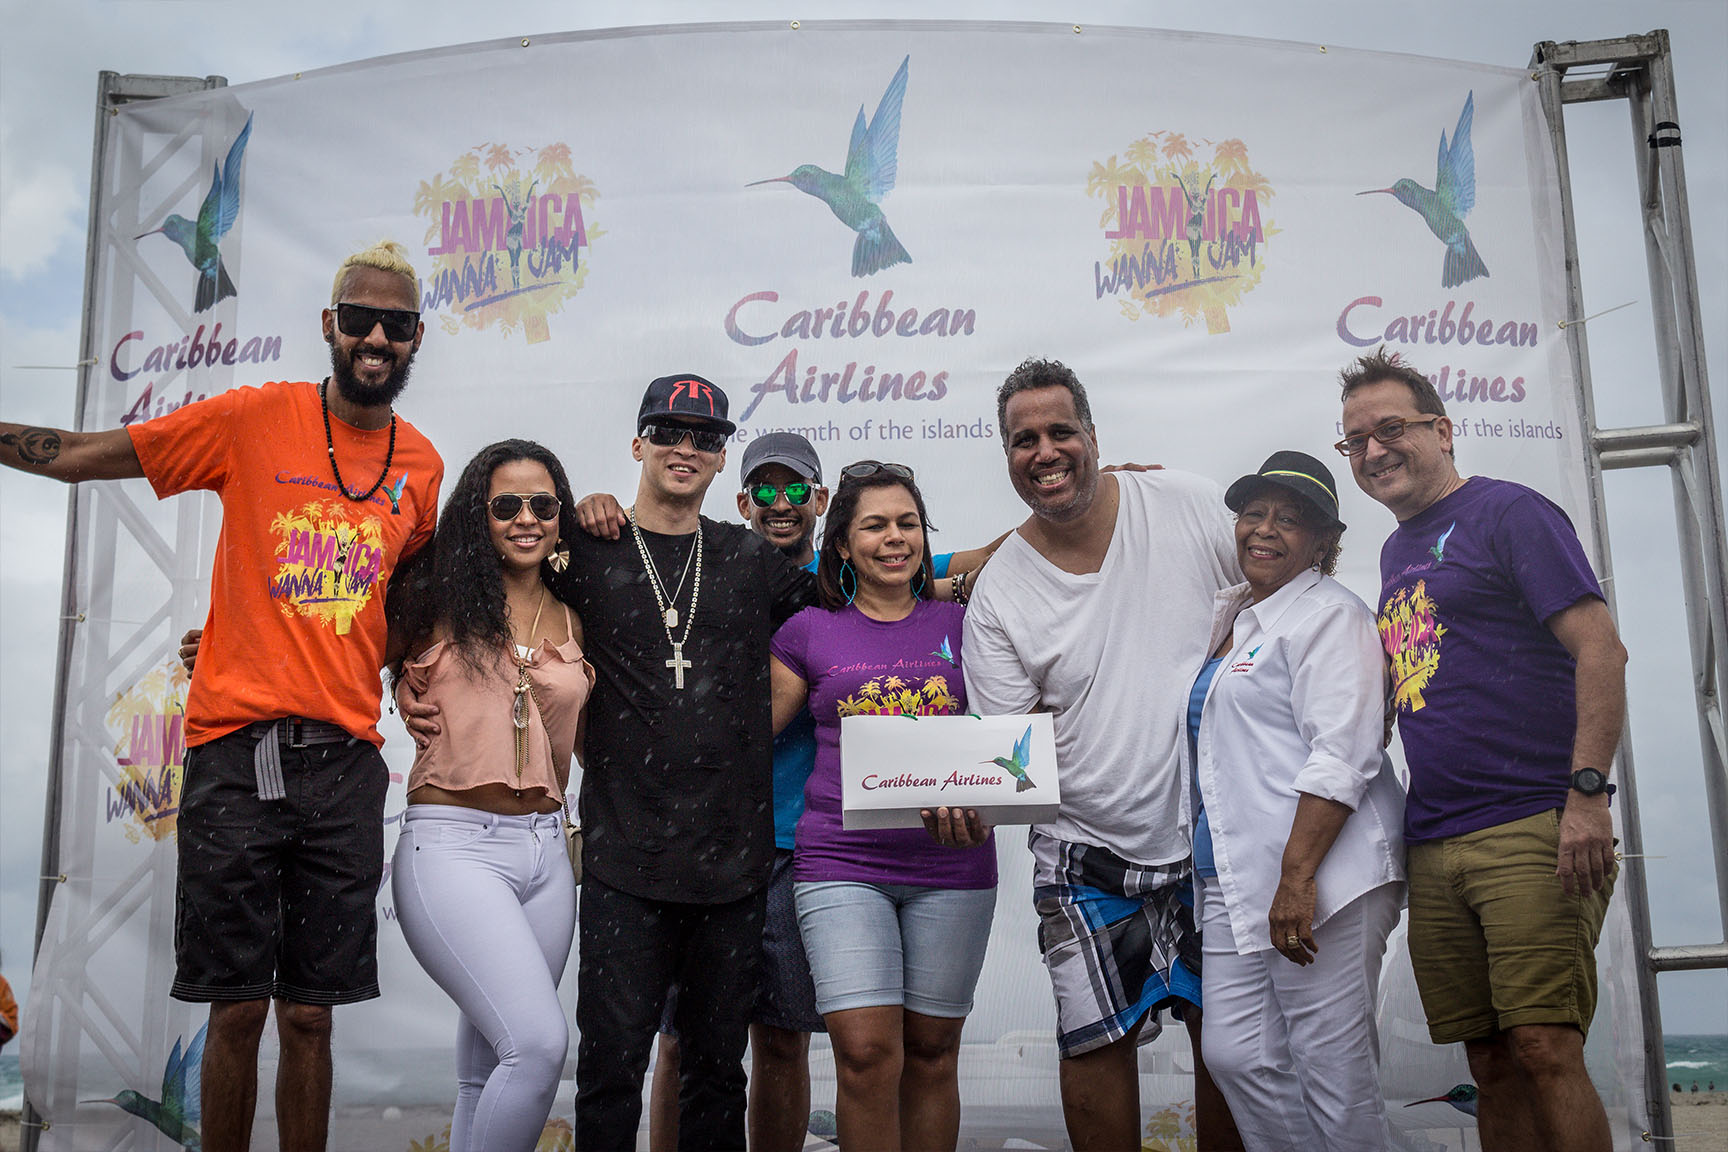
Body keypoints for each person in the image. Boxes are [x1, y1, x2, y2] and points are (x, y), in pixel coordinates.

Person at [0, 240, 441, 1152]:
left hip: (345, 763)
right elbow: (83, 455)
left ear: (415, 339)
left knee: (311, 1014)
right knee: (236, 1008)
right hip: (236, 754)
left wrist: (319, 637)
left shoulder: (424, 467)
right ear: (330, 325)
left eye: (395, 325)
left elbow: (400, 616)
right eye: (359, 318)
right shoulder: (253, 418)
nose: (375, 338)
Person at [577, 433, 1005, 1152]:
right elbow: (721, 723)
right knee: (686, 1039)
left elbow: (967, 568)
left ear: (820, 502)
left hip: (811, 847)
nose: (781, 503)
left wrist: (1102, 496)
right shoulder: (723, 568)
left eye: (795, 488)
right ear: (742, 498)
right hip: (737, 845)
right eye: (766, 490)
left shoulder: (862, 585)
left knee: (784, 1039)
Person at [450, 374, 812, 1150]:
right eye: (669, 432)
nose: (686, 448)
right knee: (611, 1071)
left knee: (718, 1073)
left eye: (705, 438)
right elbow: (476, 576)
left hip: (734, 865)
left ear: (723, 460)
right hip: (624, 862)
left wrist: (974, 567)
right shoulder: (583, 549)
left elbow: (870, 598)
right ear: (639, 444)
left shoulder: (749, 558)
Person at [1338, 347, 1627, 1152]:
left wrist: (1587, 796)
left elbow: (1601, 650)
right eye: (1355, 440)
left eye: (1390, 428)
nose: (1373, 451)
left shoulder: (1510, 513)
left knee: (1544, 1045)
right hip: (1434, 838)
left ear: (1442, 430)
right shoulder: (1396, 551)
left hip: (1531, 821)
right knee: (1490, 1062)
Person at [951, 357, 1242, 1151]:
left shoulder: (1186, 503)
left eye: (1060, 432)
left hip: (1213, 837)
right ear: (1007, 456)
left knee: (1228, 1048)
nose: (1045, 452)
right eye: (1024, 440)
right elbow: (1015, 755)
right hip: (1083, 852)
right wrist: (965, 797)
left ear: (1093, 435)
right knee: (1092, 1046)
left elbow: (1278, 595)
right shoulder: (999, 592)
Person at [768, 461, 997, 1151]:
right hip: (841, 863)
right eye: (874, 526)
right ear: (842, 543)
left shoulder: (971, 624)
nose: (895, 538)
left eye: (908, 524)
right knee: (866, 1054)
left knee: (932, 1053)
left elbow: (1009, 735)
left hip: (954, 864)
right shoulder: (806, 631)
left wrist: (987, 803)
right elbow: (744, 736)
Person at [1188, 451, 1406, 1151]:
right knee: (1237, 1055)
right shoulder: (1234, 615)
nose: (1265, 528)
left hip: (1321, 876)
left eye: (1290, 518)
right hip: (1234, 876)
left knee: (1335, 1077)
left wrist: (1297, 876)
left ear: (1323, 542)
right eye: (1254, 512)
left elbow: (1344, 753)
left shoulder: (1330, 616)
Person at [388, 440, 593, 1151]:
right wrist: (220, 647)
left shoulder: (575, 616)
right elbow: (331, 649)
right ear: (479, 516)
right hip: (453, 846)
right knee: (536, 1048)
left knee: (487, 1069)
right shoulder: (431, 599)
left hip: (548, 854)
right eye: (506, 505)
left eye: (543, 505)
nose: (526, 519)